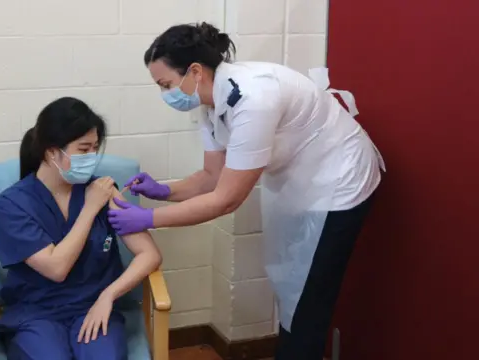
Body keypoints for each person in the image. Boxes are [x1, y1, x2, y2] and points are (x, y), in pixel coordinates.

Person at [107, 23, 385, 360]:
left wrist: (148, 218)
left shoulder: (254, 97)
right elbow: (211, 177)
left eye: (166, 84)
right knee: (292, 287)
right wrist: (163, 191)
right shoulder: (210, 104)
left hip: (340, 181)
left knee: (310, 297)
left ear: (195, 71)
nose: (166, 94)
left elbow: (226, 199)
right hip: (299, 181)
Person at [0, 97, 162, 360]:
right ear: (51, 152)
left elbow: (149, 254)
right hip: (37, 314)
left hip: (93, 307)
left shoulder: (104, 191)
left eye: (95, 148)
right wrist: (90, 208)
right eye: (83, 150)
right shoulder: (12, 205)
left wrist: (108, 295)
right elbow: (56, 268)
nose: (92, 158)